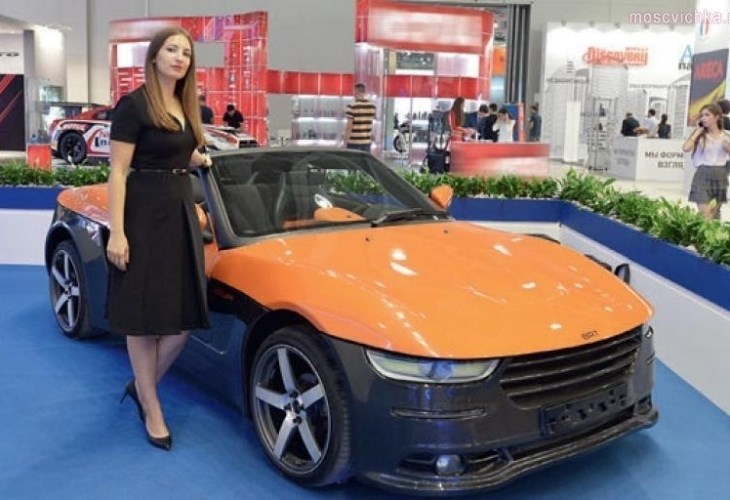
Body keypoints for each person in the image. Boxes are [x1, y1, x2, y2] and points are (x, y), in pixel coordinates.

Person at [106, 27, 212, 451]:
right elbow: (118, 171)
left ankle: (140, 386)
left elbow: (174, 148)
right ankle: (151, 406)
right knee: (143, 315)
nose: (179, 57)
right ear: (154, 57)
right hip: (143, 215)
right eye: (171, 49)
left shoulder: (185, 104)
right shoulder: (133, 105)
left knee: (182, 320)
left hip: (180, 212)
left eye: (185, 52)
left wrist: (198, 157)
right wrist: (118, 232)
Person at [682, 103, 730, 220]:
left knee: (715, 214)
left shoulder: (726, 136)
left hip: (720, 175)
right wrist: (696, 133)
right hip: (702, 175)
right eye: (702, 115)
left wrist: (728, 148)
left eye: (707, 115)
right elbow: (686, 148)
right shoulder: (699, 135)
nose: (703, 118)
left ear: (717, 117)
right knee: (706, 215)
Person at [344, 82, 376, 152]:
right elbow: (370, 123)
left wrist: (345, 142)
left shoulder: (351, 105)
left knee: (353, 159)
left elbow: (349, 126)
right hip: (366, 142)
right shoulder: (372, 106)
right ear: (364, 92)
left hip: (353, 142)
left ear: (355, 91)